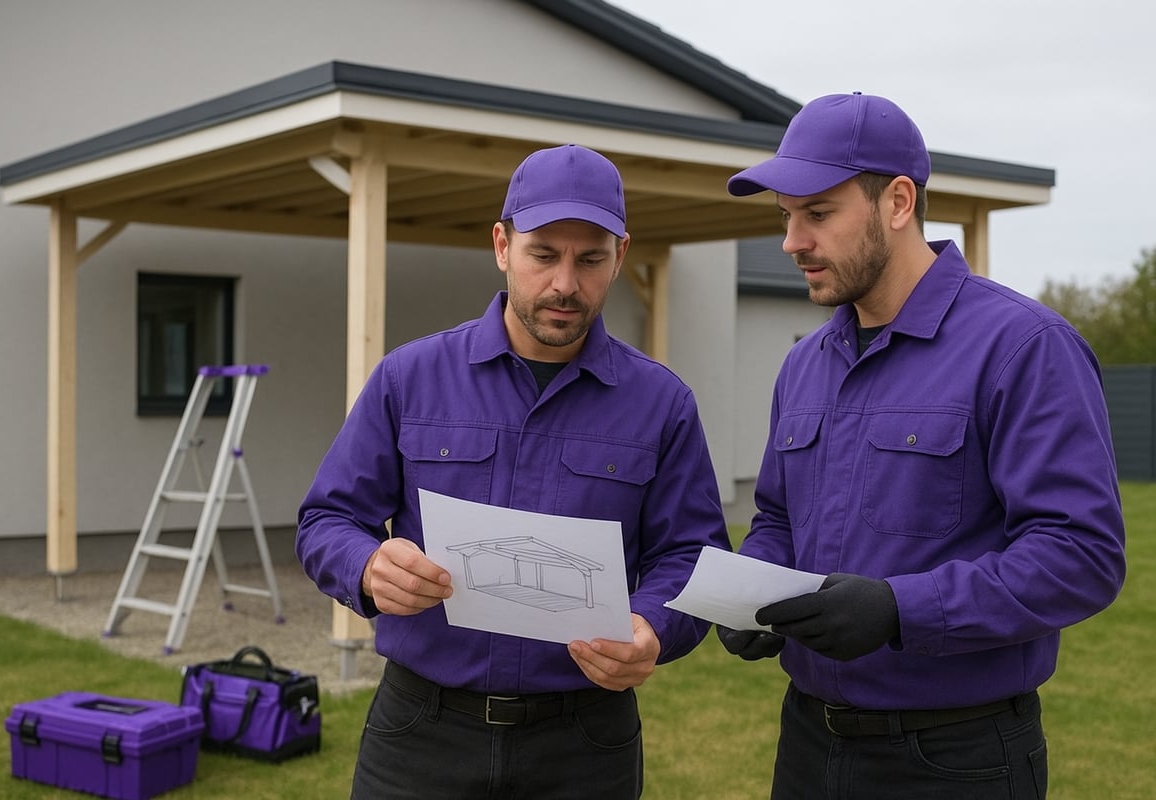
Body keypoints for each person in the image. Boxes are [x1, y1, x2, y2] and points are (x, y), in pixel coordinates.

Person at [717, 92, 1126, 799]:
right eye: (786, 216)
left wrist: (899, 609)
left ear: (898, 201)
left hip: (957, 758)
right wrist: (752, 593)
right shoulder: (804, 365)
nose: (792, 241)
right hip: (809, 746)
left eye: (817, 213)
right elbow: (779, 519)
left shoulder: (1024, 348)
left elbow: (1081, 555)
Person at [297, 143, 731, 799]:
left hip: (584, 744)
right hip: (421, 734)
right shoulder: (409, 379)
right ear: (502, 245)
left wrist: (652, 627)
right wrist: (365, 565)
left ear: (620, 255)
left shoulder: (661, 405)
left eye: (589, 259)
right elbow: (326, 519)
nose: (565, 283)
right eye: (543, 255)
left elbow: (692, 557)